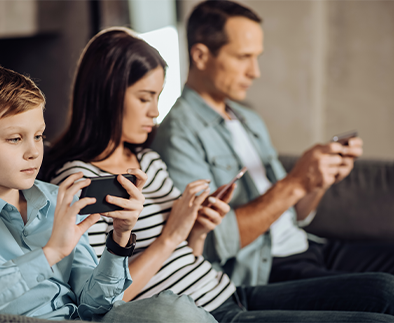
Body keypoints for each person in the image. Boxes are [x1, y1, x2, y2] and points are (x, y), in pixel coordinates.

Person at [42, 27, 394, 323]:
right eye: (146, 97)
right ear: (107, 94)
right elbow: (98, 302)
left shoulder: (146, 159)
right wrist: (170, 237)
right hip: (210, 314)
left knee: (383, 289)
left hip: (229, 291)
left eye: (159, 97)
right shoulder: (80, 182)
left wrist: (197, 231)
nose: (155, 111)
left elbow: (188, 255)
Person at [0, 64, 216, 323]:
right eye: (15, 138)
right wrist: (50, 254)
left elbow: (94, 305)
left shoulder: (59, 198)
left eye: (38, 136)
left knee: (177, 308)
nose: (34, 152)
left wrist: (119, 240)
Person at [151, 0, 394, 288]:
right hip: (267, 268)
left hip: (308, 247)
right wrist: (295, 182)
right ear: (201, 56)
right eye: (243, 57)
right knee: (382, 291)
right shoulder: (178, 133)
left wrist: (318, 180)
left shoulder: (248, 119)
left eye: (257, 57)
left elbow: (297, 214)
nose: (255, 72)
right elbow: (215, 241)